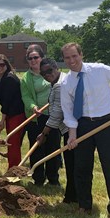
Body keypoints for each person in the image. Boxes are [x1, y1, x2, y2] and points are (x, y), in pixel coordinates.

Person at [60, 43, 110, 218]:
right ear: (63, 60)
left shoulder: (99, 70)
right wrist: (72, 134)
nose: (72, 61)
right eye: (67, 58)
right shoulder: (66, 82)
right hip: (83, 125)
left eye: (74, 56)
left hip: (107, 123)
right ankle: (84, 205)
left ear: (81, 54)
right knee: (81, 168)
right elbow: (68, 110)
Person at [20, 44, 61, 186]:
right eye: (29, 58)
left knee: (53, 147)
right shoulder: (26, 78)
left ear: (41, 57)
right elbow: (26, 96)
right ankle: (38, 178)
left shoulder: (51, 71)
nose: (33, 60)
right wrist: (33, 107)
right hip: (37, 117)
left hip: (54, 116)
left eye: (35, 57)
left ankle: (53, 179)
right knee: (37, 148)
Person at [37, 58, 75, 203]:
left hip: (69, 129)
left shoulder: (59, 85)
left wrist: (44, 133)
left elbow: (57, 114)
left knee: (72, 164)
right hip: (71, 127)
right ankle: (74, 195)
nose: (47, 75)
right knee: (74, 164)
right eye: (43, 74)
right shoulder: (60, 81)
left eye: (49, 71)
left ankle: (72, 197)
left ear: (56, 68)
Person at [0, 54, 26, 168]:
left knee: (13, 142)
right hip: (9, 113)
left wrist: (2, 120)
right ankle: (12, 158)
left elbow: (7, 101)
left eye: (2, 64)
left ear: (7, 65)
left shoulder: (10, 78)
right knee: (11, 140)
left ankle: (14, 169)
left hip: (17, 114)